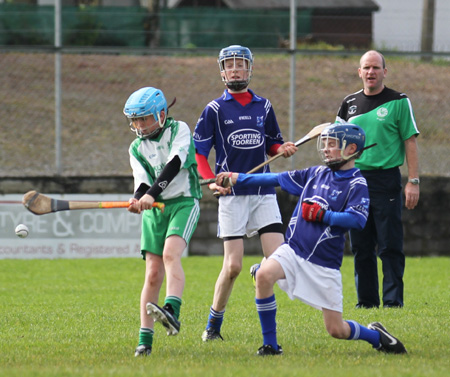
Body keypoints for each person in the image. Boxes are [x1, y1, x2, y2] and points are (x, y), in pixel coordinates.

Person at [215, 123, 407, 356]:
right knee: (265, 276)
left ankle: (376, 336)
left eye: (332, 145)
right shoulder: (316, 173)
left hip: (323, 265)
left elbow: (357, 220)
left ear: (352, 148)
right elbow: (273, 179)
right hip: (294, 251)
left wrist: (322, 215)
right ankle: (271, 346)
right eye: (324, 144)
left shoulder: (357, 183)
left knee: (337, 329)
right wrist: (237, 178)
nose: (325, 149)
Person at [193, 44, 298, 341]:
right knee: (232, 267)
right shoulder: (214, 109)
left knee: (279, 260)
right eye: (230, 65)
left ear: (250, 68)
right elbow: (200, 153)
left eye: (240, 64)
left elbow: (272, 144)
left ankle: (260, 271)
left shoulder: (263, 106)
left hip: (263, 190)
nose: (235, 69)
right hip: (232, 196)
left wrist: (283, 148)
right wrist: (212, 181)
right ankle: (213, 325)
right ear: (222, 70)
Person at [336, 50, 420, 308]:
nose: (371, 72)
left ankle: (393, 301)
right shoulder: (348, 103)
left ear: (385, 71)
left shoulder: (399, 101)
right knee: (361, 246)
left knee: (389, 244)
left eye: (376, 67)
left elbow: (410, 141)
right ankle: (367, 301)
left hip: (387, 181)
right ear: (359, 72)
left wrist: (413, 181)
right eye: (366, 68)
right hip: (355, 181)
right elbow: (336, 144)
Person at [123, 87, 202, 357]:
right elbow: (142, 180)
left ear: (160, 113)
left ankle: (172, 310)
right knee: (153, 273)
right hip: (154, 210)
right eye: (135, 120)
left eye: (143, 119)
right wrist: (138, 199)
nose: (139, 125)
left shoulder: (179, 129)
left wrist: (149, 194)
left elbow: (175, 163)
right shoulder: (136, 147)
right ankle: (144, 341)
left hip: (183, 202)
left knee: (171, 254)